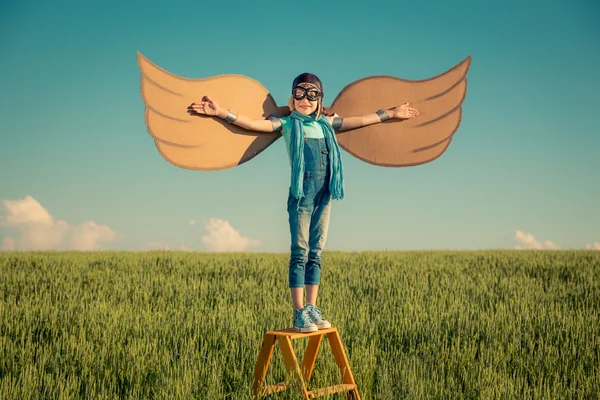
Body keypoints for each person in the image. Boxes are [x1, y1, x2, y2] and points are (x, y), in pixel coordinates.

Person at [190, 73, 420, 333]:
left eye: (312, 95)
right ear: (293, 97)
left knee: (316, 252)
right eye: (300, 93)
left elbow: (362, 120)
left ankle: (312, 307)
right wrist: (221, 112)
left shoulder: (327, 123)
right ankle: (299, 312)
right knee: (300, 252)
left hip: (325, 194)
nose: (305, 100)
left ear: (320, 99)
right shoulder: (287, 124)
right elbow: (252, 124)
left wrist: (391, 112)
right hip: (302, 195)